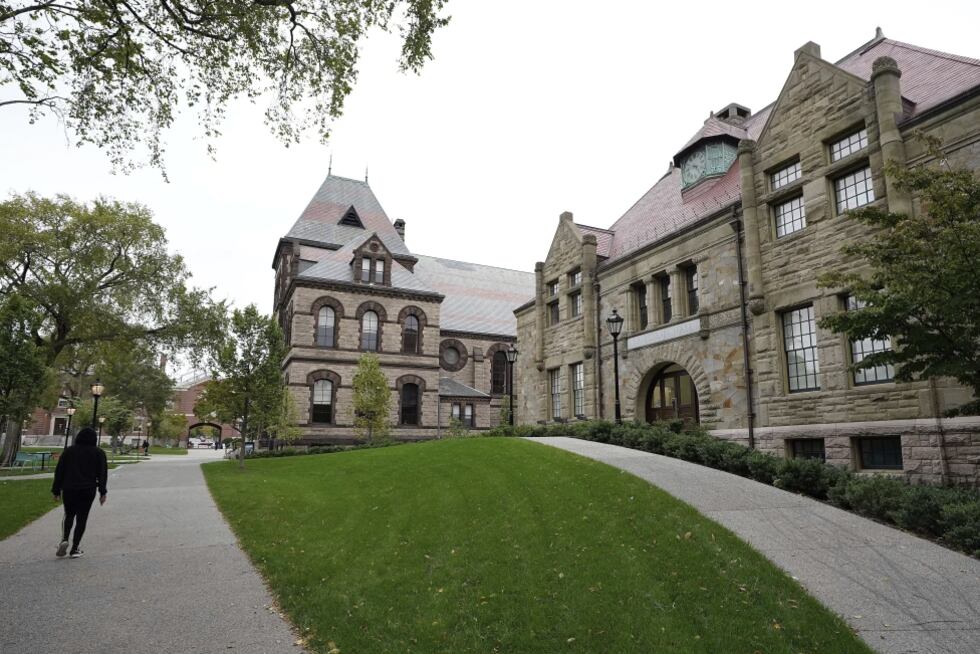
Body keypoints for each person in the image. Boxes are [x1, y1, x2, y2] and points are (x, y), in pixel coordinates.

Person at [52, 426, 108, 559]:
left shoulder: (69, 451)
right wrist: (102, 492)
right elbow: (102, 474)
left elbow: (59, 471)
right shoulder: (99, 453)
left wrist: (56, 490)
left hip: (70, 488)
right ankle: (75, 548)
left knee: (69, 514)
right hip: (88, 489)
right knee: (82, 518)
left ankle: (65, 538)